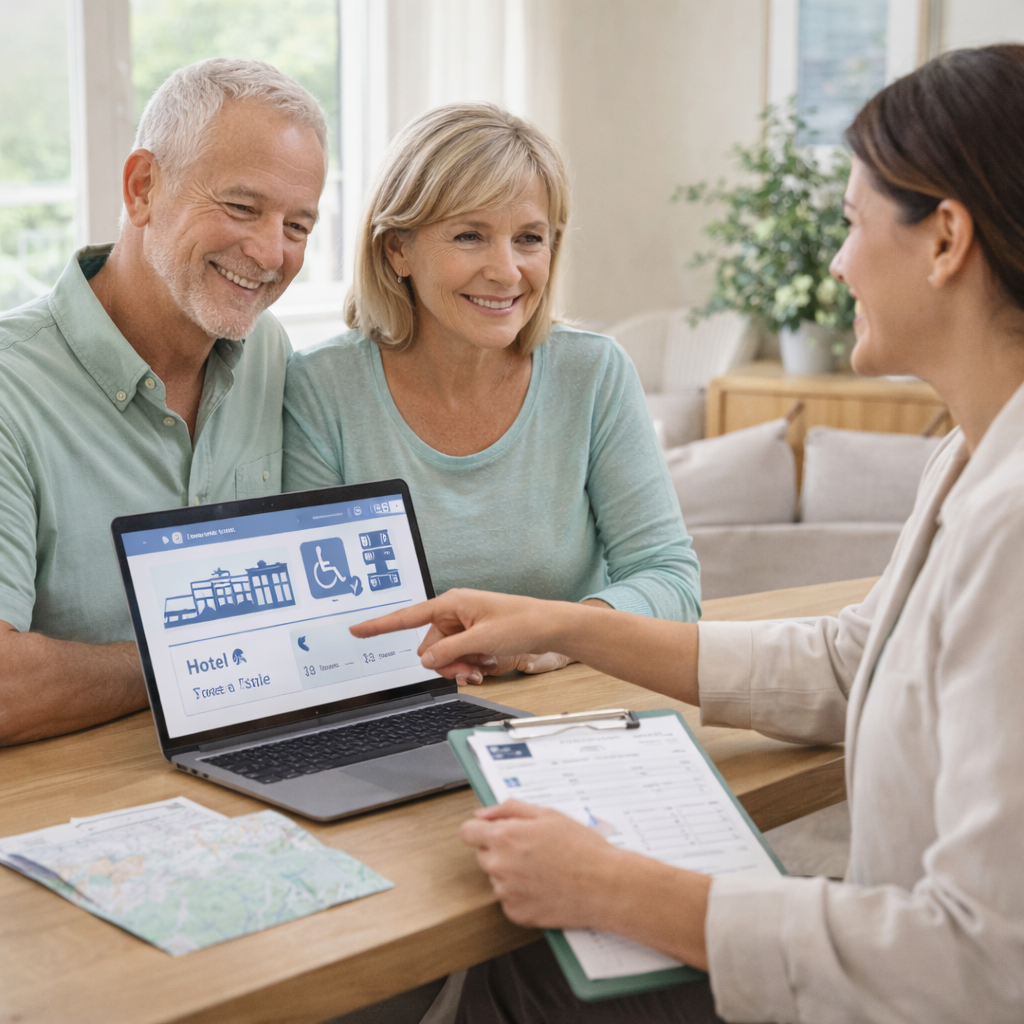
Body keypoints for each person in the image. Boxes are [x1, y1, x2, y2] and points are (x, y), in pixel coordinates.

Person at [353, 45, 1024, 1023]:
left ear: (945, 238)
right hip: (885, 944)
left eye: (848, 223)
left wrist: (611, 884)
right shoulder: (969, 457)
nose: (835, 262)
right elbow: (845, 663)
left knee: (531, 971)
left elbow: (980, 965)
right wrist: (565, 623)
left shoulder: (1012, 527)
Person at [283, 104, 701, 681]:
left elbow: (669, 576)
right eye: (469, 236)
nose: (506, 271)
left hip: (570, 704)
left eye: (529, 238)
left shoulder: (594, 374)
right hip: (396, 712)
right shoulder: (320, 387)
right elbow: (313, 610)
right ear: (396, 250)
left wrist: (565, 633)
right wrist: (421, 652)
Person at [0, 59, 327, 746]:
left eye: (297, 226)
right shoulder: (11, 388)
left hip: (243, 767)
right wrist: (202, 666)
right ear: (143, 188)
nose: (270, 253)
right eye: (241, 207)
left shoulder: (269, 353)